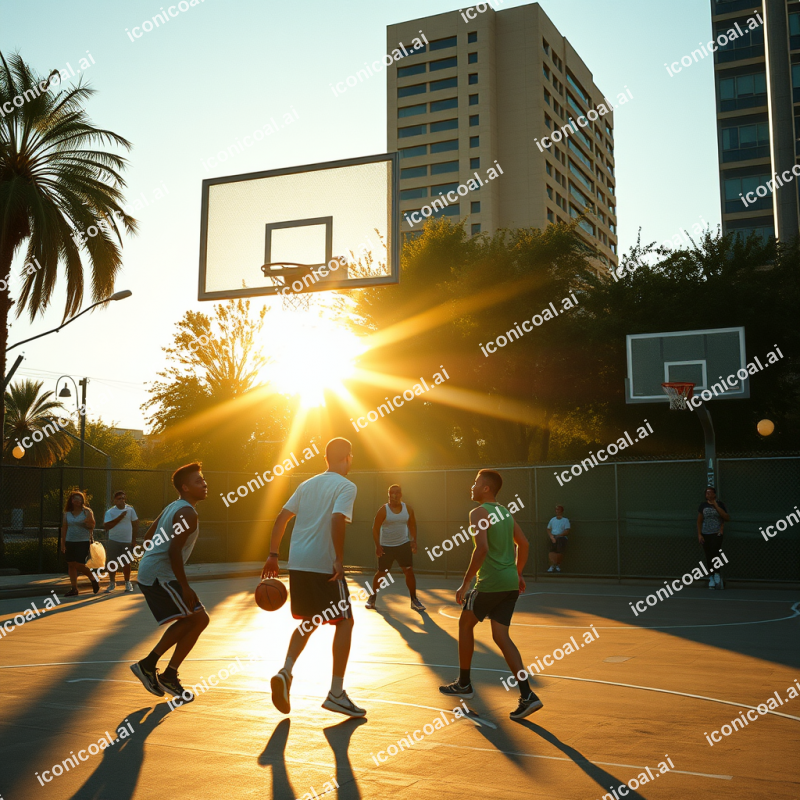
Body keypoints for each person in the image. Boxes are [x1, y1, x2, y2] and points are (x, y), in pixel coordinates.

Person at [262, 437, 364, 718]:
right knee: (345, 621)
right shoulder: (346, 486)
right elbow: (337, 519)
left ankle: (285, 671)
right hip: (323, 564)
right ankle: (336, 693)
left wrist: (273, 555)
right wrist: (338, 559)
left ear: (325, 458)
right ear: (347, 457)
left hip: (298, 563)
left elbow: (281, 518)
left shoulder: (306, 485)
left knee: (311, 620)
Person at [439, 469, 542, 720]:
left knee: (465, 624)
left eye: (476, 482)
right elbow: (524, 544)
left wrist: (465, 583)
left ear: (486, 488)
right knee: (501, 636)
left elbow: (482, 548)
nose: (472, 486)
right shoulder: (506, 513)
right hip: (509, 583)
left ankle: (464, 683)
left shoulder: (478, 512)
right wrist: (517, 573)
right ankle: (527, 694)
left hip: (491, 582)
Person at [130, 463, 209, 701]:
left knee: (195, 619)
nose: (204, 484)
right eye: (198, 481)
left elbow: (148, 537)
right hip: (160, 575)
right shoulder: (187, 513)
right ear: (185, 487)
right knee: (197, 619)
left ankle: (162, 672)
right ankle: (155, 668)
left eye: (203, 479)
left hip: (155, 571)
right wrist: (184, 586)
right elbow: (174, 551)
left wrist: (153, 558)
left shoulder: (174, 507)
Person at [367, 484, 425, 612]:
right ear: (388, 495)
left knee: (409, 571)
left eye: (397, 493)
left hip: (403, 545)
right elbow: (375, 528)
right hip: (386, 547)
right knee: (382, 573)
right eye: (391, 493)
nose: (394, 495)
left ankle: (414, 599)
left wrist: (413, 540)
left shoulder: (408, 509)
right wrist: (378, 546)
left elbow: (412, 525)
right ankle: (372, 597)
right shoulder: (383, 510)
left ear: (401, 494)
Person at [60, 491, 100, 597]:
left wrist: (86, 523)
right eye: (75, 499)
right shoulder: (67, 513)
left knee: (79, 564)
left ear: (82, 500)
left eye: (79, 498)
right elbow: (64, 528)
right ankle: (74, 588)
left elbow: (92, 526)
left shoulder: (87, 512)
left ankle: (93, 578)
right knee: (71, 564)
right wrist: (63, 543)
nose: (77, 501)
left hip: (83, 541)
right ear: (71, 501)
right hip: (70, 541)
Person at [103, 491, 139, 593]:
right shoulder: (110, 512)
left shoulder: (130, 510)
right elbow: (107, 526)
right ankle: (112, 583)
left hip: (127, 541)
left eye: (123, 498)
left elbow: (136, 524)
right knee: (112, 562)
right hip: (114, 540)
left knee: (126, 562)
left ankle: (127, 582)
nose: (122, 500)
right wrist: (120, 517)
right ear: (114, 501)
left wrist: (133, 540)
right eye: (119, 499)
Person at [697, 486, 730, 590]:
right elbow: (699, 521)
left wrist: (715, 505)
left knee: (715, 553)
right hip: (705, 534)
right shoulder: (703, 505)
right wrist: (699, 534)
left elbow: (726, 517)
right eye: (707, 492)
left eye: (710, 492)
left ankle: (717, 574)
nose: (708, 494)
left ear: (714, 494)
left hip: (716, 533)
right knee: (708, 555)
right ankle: (711, 577)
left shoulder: (720, 504)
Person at [546, 505, 571, 573]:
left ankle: (557, 566)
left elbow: (567, 531)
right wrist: (551, 537)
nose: (557, 511)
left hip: (561, 538)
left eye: (558, 510)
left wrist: (559, 536)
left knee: (559, 552)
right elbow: (548, 529)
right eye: (556, 510)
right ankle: (552, 566)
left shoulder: (565, 520)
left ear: (562, 511)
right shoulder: (552, 520)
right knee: (551, 552)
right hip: (553, 537)